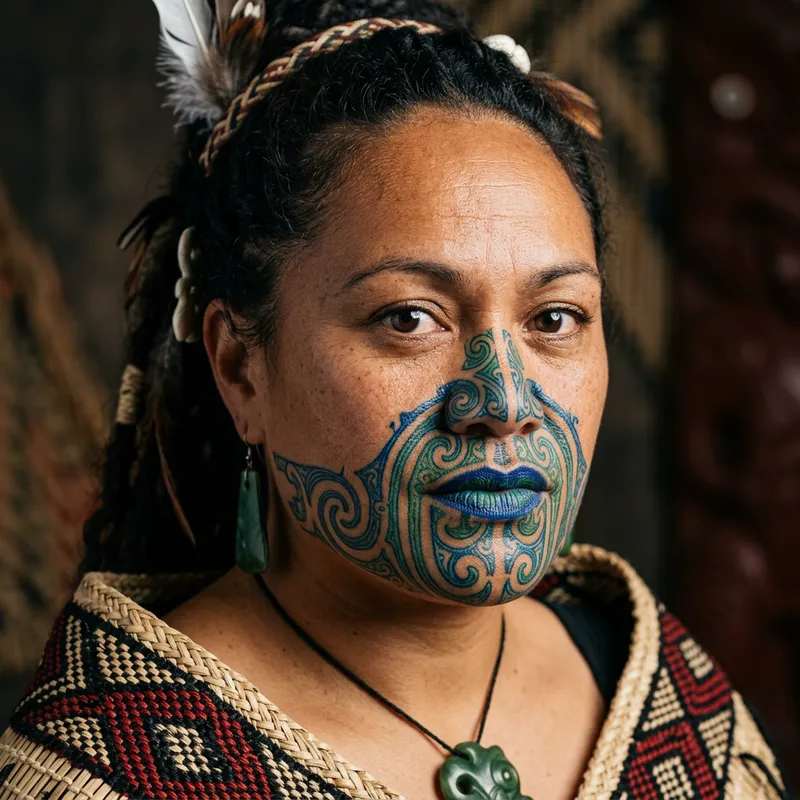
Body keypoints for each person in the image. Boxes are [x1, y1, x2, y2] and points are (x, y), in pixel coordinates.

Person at [0, 1, 789, 798]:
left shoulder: (667, 696)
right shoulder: (102, 772)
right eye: (409, 319)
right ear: (241, 366)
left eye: (554, 319)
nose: (504, 402)